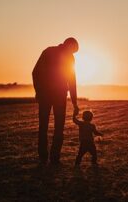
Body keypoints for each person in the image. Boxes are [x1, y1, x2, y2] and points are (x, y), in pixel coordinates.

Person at [32, 37, 80, 165]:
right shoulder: (62, 55)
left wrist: (39, 91)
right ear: (69, 45)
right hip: (56, 95)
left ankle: (44, 158)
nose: (73, 53)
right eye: (73, 50)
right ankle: (54, 158)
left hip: (48, 95)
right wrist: (74, 102)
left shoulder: (48, 51)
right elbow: (72, 80)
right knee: (58, 127)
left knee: (44, 127)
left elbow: (35, 72)